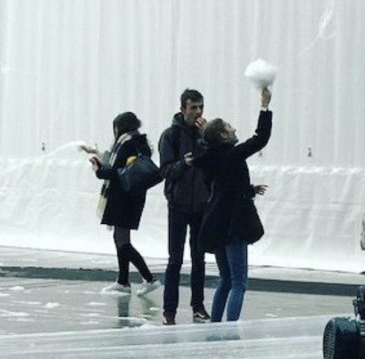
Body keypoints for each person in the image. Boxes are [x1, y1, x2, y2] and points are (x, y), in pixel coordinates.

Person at [190, 87, 273, 322]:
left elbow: (224, 187)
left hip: (215, 224)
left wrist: (248, 189)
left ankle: (215, 326)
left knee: (225, 280)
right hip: (234, 224)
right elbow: (261, 138)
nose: (234, 129)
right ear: (223, 136)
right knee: (239, 282)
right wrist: (265, 106)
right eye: (229, 127)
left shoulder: (211, 159)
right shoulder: (232, 155)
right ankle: (229, 329)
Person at [84, 112, 161, 296]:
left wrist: (98, 171)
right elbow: (123, 166)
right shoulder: (139, 142)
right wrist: (98, 154)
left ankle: (149, 279)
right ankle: (123, 280)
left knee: (123, 242)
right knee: (120, 239)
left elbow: (116, 172)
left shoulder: (127, 143)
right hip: (134, 196)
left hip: (122, 197)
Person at [158, 89, 211, 325]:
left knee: (199, 258)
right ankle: (169, 311)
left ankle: (197, 305)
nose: (198, 112)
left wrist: (207, 137)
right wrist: (184, 164)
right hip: (178, 205)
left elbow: (216, 162)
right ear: (182, 109)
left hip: (201, 204)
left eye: (201, 107)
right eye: (193, 107)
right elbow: (165, 170)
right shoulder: (170, 136)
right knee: (175, 260)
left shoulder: (205, 135)